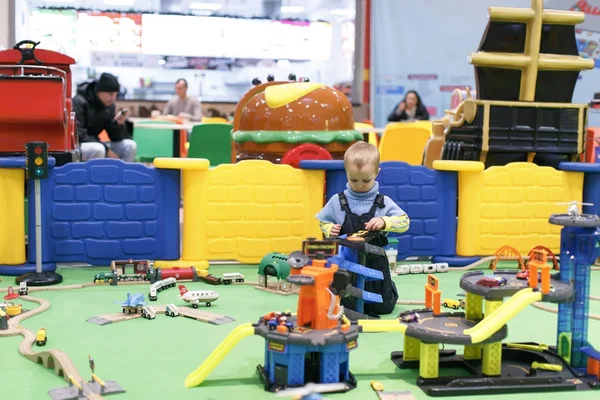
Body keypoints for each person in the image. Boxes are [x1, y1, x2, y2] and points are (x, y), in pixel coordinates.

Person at [316, 142, 410, 315]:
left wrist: (384, 221)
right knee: (345, 306)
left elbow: (404, 222)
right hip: (346, 264)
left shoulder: (383, 202)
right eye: (353, 179)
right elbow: (323, 220)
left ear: (377, 173)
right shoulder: (338, 201)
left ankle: (389, 288)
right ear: (346, 173)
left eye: (366, 180)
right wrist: (330, 229)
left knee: (383, 307)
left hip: (375, 263)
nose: (359, 185)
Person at [73, 73, 137, 162]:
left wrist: (118, 124)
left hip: (97, 143)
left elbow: (114, 137)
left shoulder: (109, 106)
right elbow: (79, 134)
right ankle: (96, 176)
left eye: (116, 95)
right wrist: (107, 150)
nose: (113, 99)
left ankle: (121, 175)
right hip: (78, 145)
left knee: (130, 146)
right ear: (99, 91)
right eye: (111, 94)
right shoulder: (79, 101)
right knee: (98, 149)